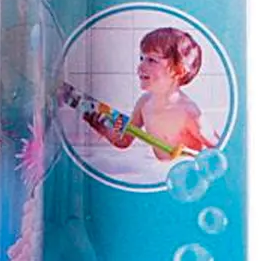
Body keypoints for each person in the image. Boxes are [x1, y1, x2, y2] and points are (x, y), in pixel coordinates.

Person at [86, 26, 206, 161]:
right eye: (142, 58)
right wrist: (105, 131)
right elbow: (125, 140)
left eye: (152, 60)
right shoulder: (144, 103)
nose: (140, 67)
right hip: (161, 169)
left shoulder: (188, 112)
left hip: (188, 168)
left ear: (178, 71)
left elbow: (218, 148)